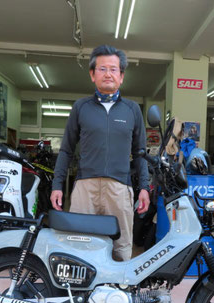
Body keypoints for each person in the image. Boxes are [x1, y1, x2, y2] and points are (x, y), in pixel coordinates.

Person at [50, 44, 150, 262]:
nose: (108, 74)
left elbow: (140, 153)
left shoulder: (132, 110)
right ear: (92, 74)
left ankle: (118, 284)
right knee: (79, 245)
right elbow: (66, 150)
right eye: (102, 69)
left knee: (121, 247)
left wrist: (144, 187)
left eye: (113, 69)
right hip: (85, 188)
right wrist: (57, 185)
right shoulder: (81, 107)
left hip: (119, 188)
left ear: (121, 76)